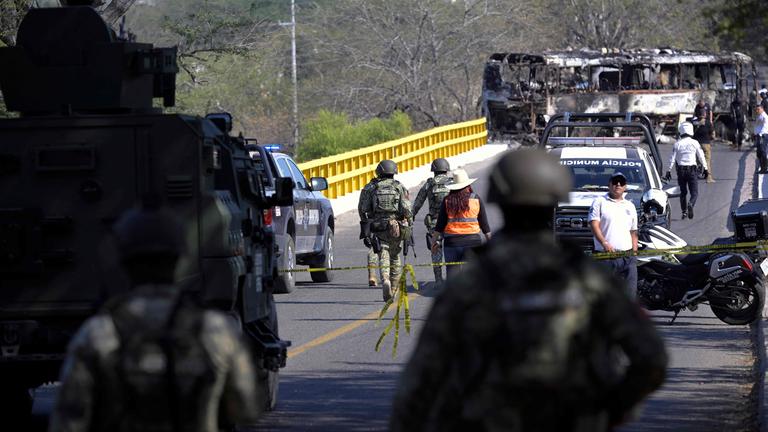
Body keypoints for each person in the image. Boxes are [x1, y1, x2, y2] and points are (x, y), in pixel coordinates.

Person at [390, 150, 668, 432]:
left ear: (500, 200)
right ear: (555, 199)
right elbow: (652, 358)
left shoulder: (471, 283)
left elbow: (421, 381)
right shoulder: (589, 279)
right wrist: (608, 410)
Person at [49, 202, 260, 432]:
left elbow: (67, 421)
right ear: (179, 258)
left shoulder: (98, 333)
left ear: (125, 263)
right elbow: (246, 409)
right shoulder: (214, 330)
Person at [358, 160, 412, 301]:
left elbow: (363, 209)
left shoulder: (371, 187)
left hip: (378, 226)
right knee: (395, 256)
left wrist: (367, 225)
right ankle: (394, 287)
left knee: (383, 253)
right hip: (396, 227)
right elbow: (407, 209)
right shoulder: (399, 187)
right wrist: (408, 225)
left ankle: (385, 279)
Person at [433, 168, 491, 280]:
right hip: (473, 242)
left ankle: (453, 294)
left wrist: (433, 242)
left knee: (452, 274)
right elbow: (485, 225)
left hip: (452, 243)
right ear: (467, 185)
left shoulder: (447, 200)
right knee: (474, 274)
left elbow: (440, 225)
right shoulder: (475, 199)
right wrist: (491, 243)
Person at [588, 172, 639, 300]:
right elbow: (594, 225)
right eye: (615, 182)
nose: (618, 185)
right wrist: (604, 243)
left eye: (621, 183)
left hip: (627, 258)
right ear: (609, 185)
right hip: (606, 257)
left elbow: (633, 232)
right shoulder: (599, 202)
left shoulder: (630, 206)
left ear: (625, 187)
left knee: (630, 297)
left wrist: (634, 253)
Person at [412, 158, 452, 284]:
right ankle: (452, 279)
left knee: (436, 249)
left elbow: (419, 201)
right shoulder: (452, 181)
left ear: (434, 170)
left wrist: (411, 215)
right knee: (451, 249)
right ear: (446, 170)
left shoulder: (429, 183)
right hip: (451, 223)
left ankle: (438, 280)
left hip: (434, 223)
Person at [665, 121, 708, 219]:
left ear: (681, 131)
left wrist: (668, 171)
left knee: (683, 192)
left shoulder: (677, 144)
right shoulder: (695, 143)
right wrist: (705, 168)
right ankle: (691, 204)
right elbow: (701, 156)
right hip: (692, 170)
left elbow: (672, 159)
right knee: (694, 192)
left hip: (681, 171)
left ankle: (684, 212)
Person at [693, 98, 715, 183]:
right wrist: (711, 138)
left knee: (697, 160)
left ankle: (695, 175)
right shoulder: (708, 123)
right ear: (705, 114)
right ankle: (708, 177)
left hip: (696, 144)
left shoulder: (694, 123)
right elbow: (713, 134)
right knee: (707, 160)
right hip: (706, 143)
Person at [755, 105, 768, 174]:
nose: (757, 111)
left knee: (763, 152)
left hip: (763, 135)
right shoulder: (760, 116)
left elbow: (764, 125)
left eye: (758, 109)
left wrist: (759, 134)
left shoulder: (764, 116)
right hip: (759, 135)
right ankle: (762, 168)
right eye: (756, 110)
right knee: (759, 153)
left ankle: (764, 168)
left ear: (762, 109)